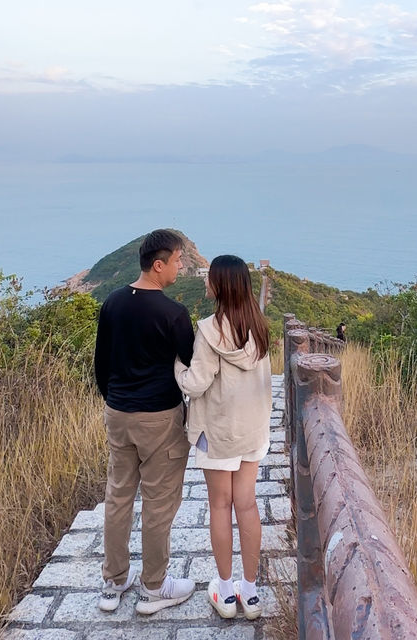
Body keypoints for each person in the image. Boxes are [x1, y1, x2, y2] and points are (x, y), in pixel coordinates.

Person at [94, 229, 196, 614]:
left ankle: (114, 581)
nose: (181, 265)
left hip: (118, 413)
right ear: (159, 265)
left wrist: (116, 399)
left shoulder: (113, 303)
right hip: (159, 418)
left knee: (118, 496)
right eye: (177, 260)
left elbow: (101, 364)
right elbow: (190, 365)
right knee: (158, 503)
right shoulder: (173, 314)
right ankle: (155, 586)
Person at [175, 255, 271, 620]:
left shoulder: (210, 330)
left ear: (220, 285)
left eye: (209, 278)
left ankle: (226, 593)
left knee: (220, 506)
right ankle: (251, 593)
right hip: (251, 431)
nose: (205, 282)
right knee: (246, 504)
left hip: (217, 433)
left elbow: (194, 384)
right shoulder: (258, 325)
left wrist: (176, 366)